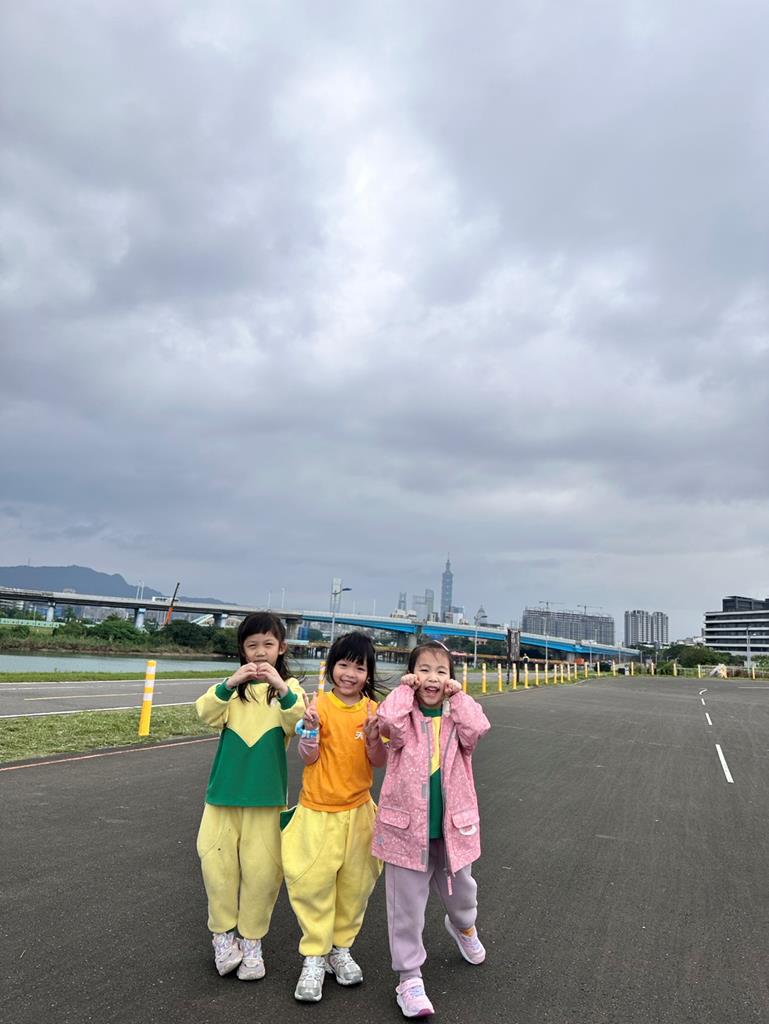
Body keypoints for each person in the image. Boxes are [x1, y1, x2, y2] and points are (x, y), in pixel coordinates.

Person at [373, 640, 491, 1018]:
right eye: (423, 670)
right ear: (412, 675)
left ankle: (464, 928)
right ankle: (409, 978)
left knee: (463, 896)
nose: (432, 678)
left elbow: (479, 727)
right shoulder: (405, 718)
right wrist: (403, 690)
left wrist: (459, 697)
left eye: (441, 672)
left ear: (451, 680)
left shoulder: (457, 719)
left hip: (452, 830)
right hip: (406, 832)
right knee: (406, 909)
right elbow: (387, 721)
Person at [195, 612, 305, 981]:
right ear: (242, 650)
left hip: (266, 799)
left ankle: (252, 941)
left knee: (262, 873)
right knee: (217, 867)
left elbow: (299, 721)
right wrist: (231, 683)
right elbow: (205, 712)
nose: (260, 652)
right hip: (223, 797)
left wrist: (281, 686)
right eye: (252, 645)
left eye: (268, 645)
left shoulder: (289, 689)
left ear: (281, 648)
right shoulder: (231, 690)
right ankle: (223, 938)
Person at [281, 630, 387, 1002]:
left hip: (359, 812)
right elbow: (307, 758)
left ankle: (339, 950)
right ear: (331, 667)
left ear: (368, 674)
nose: (350, 674)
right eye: (343, 665)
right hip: (317, 810)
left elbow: (379, 760)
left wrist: (373, 737)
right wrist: (310, 729)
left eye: (359, 668)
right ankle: (314, 955)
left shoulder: (373, 710)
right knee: (312, 884)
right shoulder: (319, 706)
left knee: (356, 886)